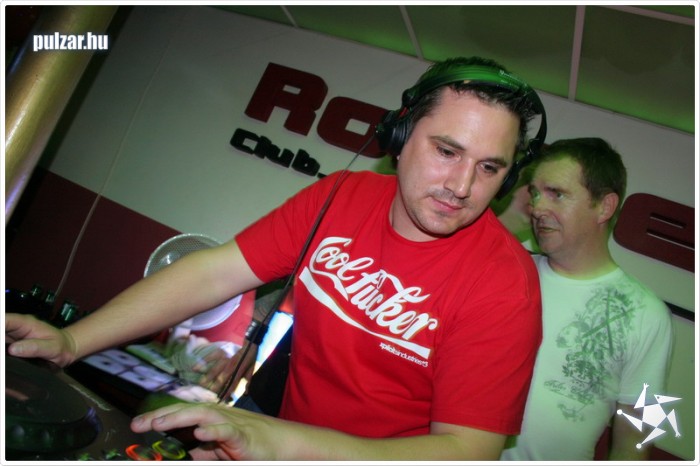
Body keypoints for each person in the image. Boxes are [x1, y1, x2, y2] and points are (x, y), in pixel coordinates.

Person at [6, 56, 544, 461]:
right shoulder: (342, 195)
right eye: (447, 151)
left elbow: (466, 451)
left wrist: (279, 443)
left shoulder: (504, 284)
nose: (461, 186)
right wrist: (72, 342)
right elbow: (215, 271)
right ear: (399, 136)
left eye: (489, 168)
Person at [499, 137, 673, 461]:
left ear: (605, 206)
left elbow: (638, 434)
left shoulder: (646, 313)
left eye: (557, 194)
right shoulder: (506, 272)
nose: (537, 208)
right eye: (535, 193)